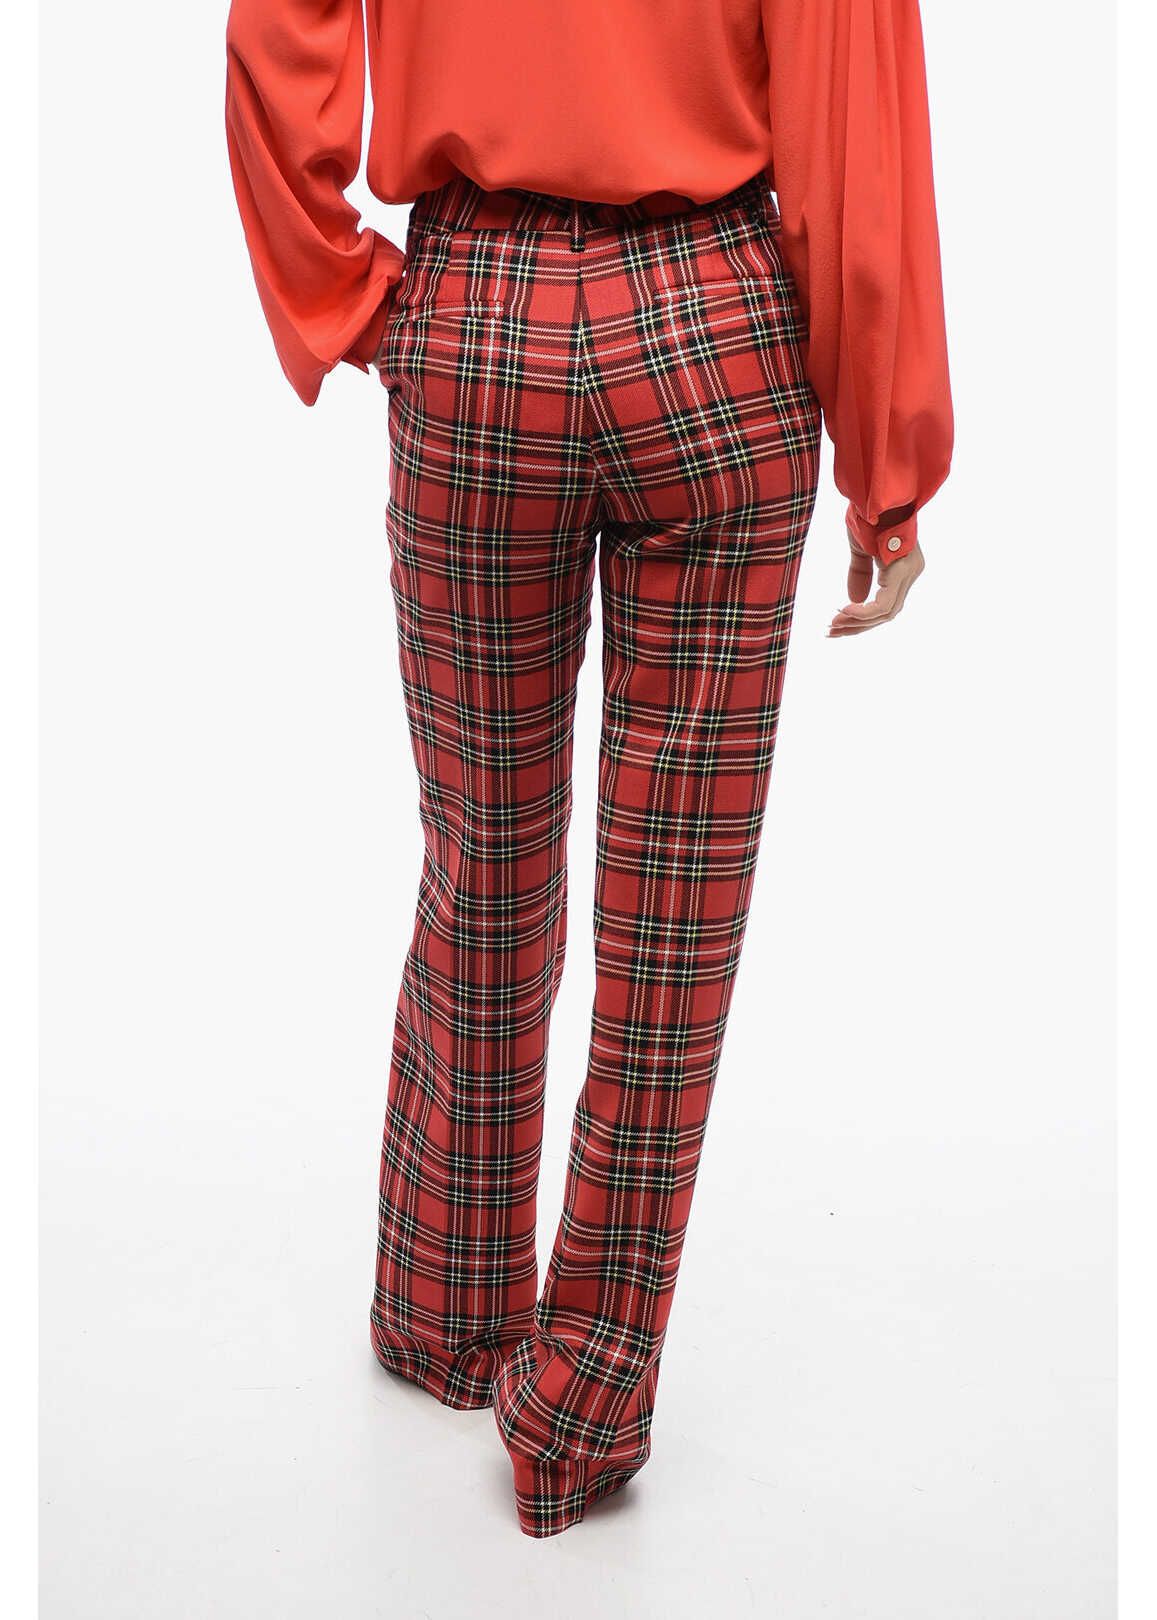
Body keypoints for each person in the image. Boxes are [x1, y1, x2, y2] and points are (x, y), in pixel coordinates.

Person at [224, 0, 953, 1538]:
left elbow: (279, 31)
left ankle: (446, 1313)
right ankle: (584, 1404)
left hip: (474, 315)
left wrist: (341, 286)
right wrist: (887, 472)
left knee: (482, 852)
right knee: (671, 923)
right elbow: (855, 117)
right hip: (717, 331)